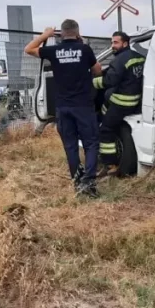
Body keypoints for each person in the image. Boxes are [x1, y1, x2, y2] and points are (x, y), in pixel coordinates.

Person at [24, 20, 103, 196]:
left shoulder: (53, 51)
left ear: (61, 34)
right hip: (83, 106)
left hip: (63, 107)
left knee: (70, 146)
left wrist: (46, 35)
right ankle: (88, 182)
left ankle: (77, 181)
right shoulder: (85, 49)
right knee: (90, 144)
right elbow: (97, 70)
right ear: (77, 32)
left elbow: (28, 49)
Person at [93, 31, 145, 175]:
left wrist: (91, 83)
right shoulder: (139, 57)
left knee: (105, 130)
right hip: (136, 99)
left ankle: (109, 164)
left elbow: (110, 80)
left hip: (123, 102)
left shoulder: (119, 60)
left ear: (125, 43)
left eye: (115, 42)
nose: (112, 46)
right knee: (105, 106)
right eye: (112, 42)